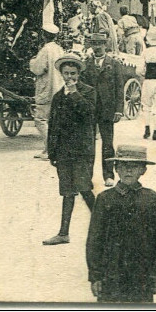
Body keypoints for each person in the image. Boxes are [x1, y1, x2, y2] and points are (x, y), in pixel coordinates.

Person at [86, 145, 156, 303]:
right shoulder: (104, 199)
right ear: (116, 169)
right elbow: (94, 239)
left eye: (134, 166)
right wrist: (95, 276)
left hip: (142, 276)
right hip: (111, 275)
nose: (128, 171)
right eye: (123, 166)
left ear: (143, 170)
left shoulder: (151, 199)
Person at [43, 55, 97, 246]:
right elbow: (53, 125)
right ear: (61, 74)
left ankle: (104, 226)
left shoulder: (88, 92)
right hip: (64, 152)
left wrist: (74, 93)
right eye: (66, 73)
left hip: (82, 151)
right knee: (67, 191)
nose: (69, 77)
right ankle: (63, 233)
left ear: (79, 74)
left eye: (73, 73)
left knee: (84, 188)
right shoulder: (58, 96)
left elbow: (89, 114)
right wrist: (52, 152)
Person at [80, 33, 128, 187]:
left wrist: (118, 110)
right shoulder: (86, 64)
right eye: (94, 43)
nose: (97, 47)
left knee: (108, 143)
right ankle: (87, 176)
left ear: (106, 45)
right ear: (91, 45)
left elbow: (120, 88)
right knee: (88, 143)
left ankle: (108, 175)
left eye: (100, 43)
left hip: (107, 109)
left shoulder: (114, 64)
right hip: (90, 108)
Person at [30, 23, 65, 159]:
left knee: (40, 119)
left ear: (44, 35)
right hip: (58, 86)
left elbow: (38, 69)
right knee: (52, 120)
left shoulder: (45, 50)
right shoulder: (59, 49)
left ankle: (50, 149)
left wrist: (32, 61)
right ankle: (47, 149)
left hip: (47, 88)